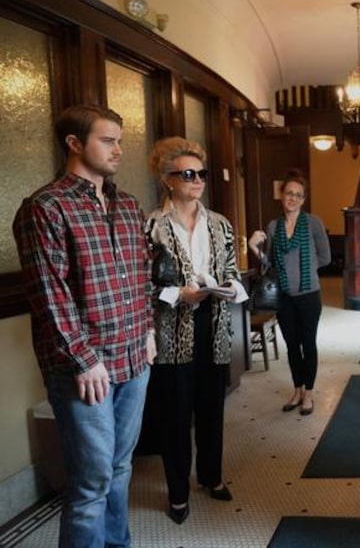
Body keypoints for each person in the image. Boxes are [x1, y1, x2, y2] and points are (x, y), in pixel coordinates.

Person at [13, 104, 154, 547]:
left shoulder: (128, 205)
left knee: (120, 469)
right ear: (75, 144)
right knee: (90, 483)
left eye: (119, 140)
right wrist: (83, 359)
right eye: (107, 140)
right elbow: (48, 296)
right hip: (86, 370)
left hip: (134, 358)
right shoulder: (45, 207)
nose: (118, 150)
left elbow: (142, 275)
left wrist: (148, 332)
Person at [145, 137, 248, 524]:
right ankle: (176, 493)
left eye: (201, 173)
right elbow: (141, 283)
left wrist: (232, 289)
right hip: (172, 332)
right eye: (188, 174)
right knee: (174, 415)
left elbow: (233, 274)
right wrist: (177, 294)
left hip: (215, 324)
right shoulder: (152, 225)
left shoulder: (220, 224)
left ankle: (211, 476)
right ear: (168, 179)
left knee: (211, 408)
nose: (198, 180)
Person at [248, 169, 331, 416]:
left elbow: (325, 257)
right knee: (292, 346)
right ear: (281, 196)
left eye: (298, 195)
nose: (293, 198)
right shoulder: (273, 227)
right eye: (289, 193)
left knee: (308, 344)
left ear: (303, 199)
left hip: (309, 296)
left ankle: (309, 393)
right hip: (284, 297)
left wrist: (303, 271)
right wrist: (254, 247)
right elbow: (269, 264)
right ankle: (297, 390)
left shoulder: (314, 223)